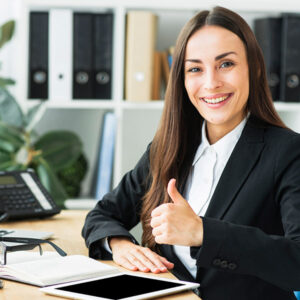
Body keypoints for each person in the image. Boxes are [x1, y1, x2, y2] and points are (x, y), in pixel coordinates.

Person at [82, 6, 300, 300]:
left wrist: (203, 233)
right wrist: (121, 245)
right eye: (195, 69)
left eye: (226, 64)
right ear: (182, 81)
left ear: (255, 68)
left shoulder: (288, 153)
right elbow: (103, 214)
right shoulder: (169, 148)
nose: (211, 83)